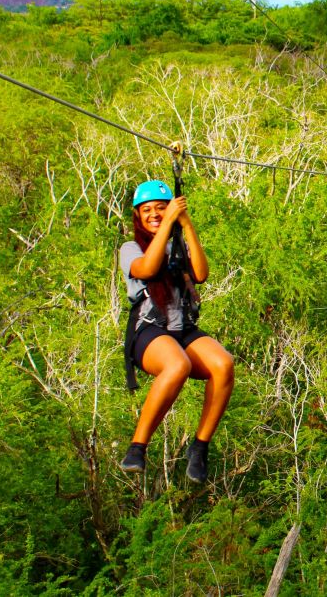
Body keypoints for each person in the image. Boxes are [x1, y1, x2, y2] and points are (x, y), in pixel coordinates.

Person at [118, 180, 234, 483]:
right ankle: (137, 448)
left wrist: (185, 223)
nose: (154, 214)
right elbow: (147, 268)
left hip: (183, 328)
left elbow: (201, 274)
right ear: (138, 216)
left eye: (160, 208)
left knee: (223, 365)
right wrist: (169, 219)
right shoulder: (130, 248)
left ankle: (199, 448)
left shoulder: (178, 244)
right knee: (177, 364)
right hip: (150, 331)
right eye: (147, 210)